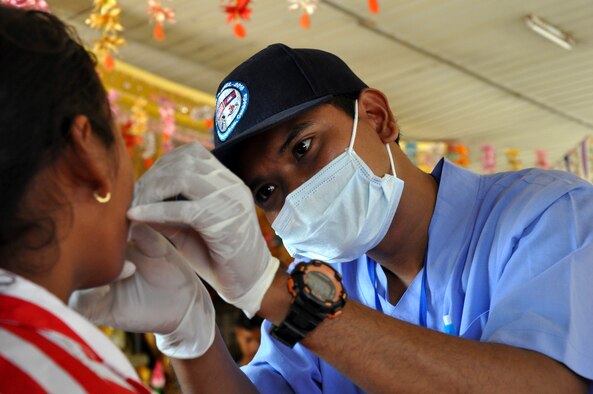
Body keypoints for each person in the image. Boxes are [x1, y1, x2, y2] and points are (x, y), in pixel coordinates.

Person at [125, 43, 593, 393]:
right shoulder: (326, 279)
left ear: (377, 116)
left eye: (304, 147)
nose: (298, 191)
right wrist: (188, 334)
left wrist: (279, 295)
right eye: (267, 191)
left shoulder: (543, 215)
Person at [0, 6, 257, 393]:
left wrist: (196, 340)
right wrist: (267, 289)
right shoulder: (68, 379)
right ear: (86, 152)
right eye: (118, 133)